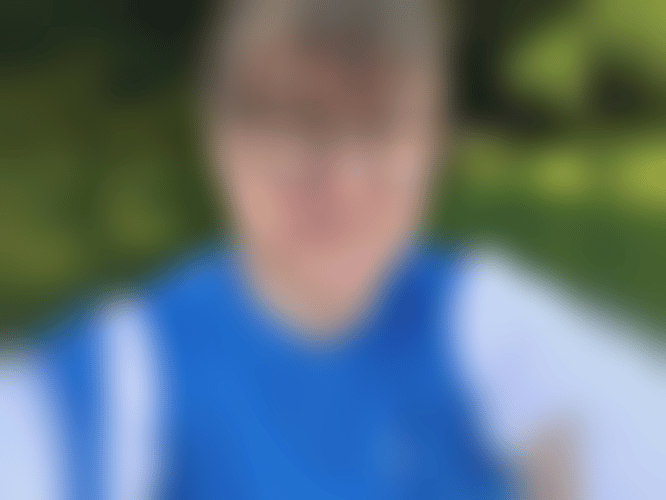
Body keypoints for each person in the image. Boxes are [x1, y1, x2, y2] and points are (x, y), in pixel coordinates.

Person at [1, 0, 665, 499]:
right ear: (224, 138)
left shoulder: (480, 323)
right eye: (296, 127)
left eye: (376, 132)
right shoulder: (124, 369)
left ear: (432, 147)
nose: (340, 179)